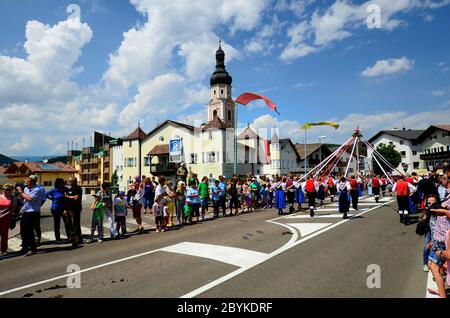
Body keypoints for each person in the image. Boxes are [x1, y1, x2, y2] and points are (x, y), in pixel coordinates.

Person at [428, 200, 450, 298]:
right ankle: (441, 290)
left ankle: (442, 294)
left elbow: (439, 232)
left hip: (441, 244)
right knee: (433, 266)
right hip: (440, 242)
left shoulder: (440, 218)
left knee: (434, 267)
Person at [17, 176, 43, 255]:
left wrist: (21, 192)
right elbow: (25, 201)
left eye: (27, 183)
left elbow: (30, 199)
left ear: (32, 183)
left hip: (33, 212)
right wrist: (22, 209)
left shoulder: (37, 190)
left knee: (29, 231)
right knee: (23, 231)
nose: (25, 184)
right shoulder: (26, 189)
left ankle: (33, 249)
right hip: (26, 211)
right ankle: (25, 247)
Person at [65, 177, 83, 247]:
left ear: (74, 181)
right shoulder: (69, 189)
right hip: (68, 209)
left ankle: (78, 239)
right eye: (69, 180)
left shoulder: (78, 188)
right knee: (69, 224)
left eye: (71, 180)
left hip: (75, 209)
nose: (69, 182)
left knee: (75, 224)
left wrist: (68, 197)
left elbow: (76, 197)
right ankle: (72, 237)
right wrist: (65, 209)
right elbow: (66, 199)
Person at [0, 184, 17, 256]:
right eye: (3, 189)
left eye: (6, 189)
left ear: (10, 190)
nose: (4, 190)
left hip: (6, 218)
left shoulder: (13, 198)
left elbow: (13, 209)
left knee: (4, 235)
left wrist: (3, 215)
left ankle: (3, 250)